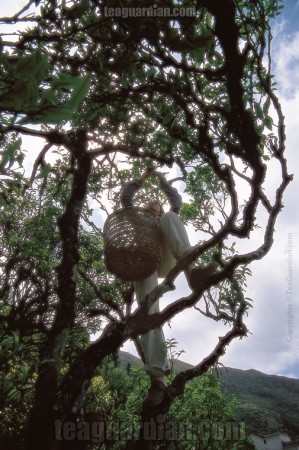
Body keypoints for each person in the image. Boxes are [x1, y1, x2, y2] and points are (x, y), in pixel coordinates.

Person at [120, 168, 217, 405]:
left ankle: (192, 272)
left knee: (172, 217)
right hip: (145, 262)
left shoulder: (165, 217)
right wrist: (142, 177)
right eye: (150, 208)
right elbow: (126, 198)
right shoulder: (138, 219)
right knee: (148, 311)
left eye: (156, 208)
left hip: (166, 256)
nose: (154, 209)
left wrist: (162, 180)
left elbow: (176, 201)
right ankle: (158, 380)